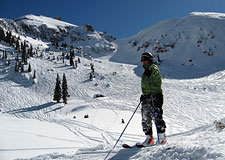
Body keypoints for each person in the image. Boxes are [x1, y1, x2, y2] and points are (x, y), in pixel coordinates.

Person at [140, 52, 167, 146]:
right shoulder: (146, 70)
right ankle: (149, 138)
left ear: (150, 60)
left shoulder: (153, 67)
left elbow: (154, 70)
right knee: (145, 117)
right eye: (142, 60)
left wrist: (150, 70)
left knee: (156, 115)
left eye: (145, 59)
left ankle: (162, 137)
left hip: (155, 95)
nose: (143, 61)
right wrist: (144, 95)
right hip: (147, 96)